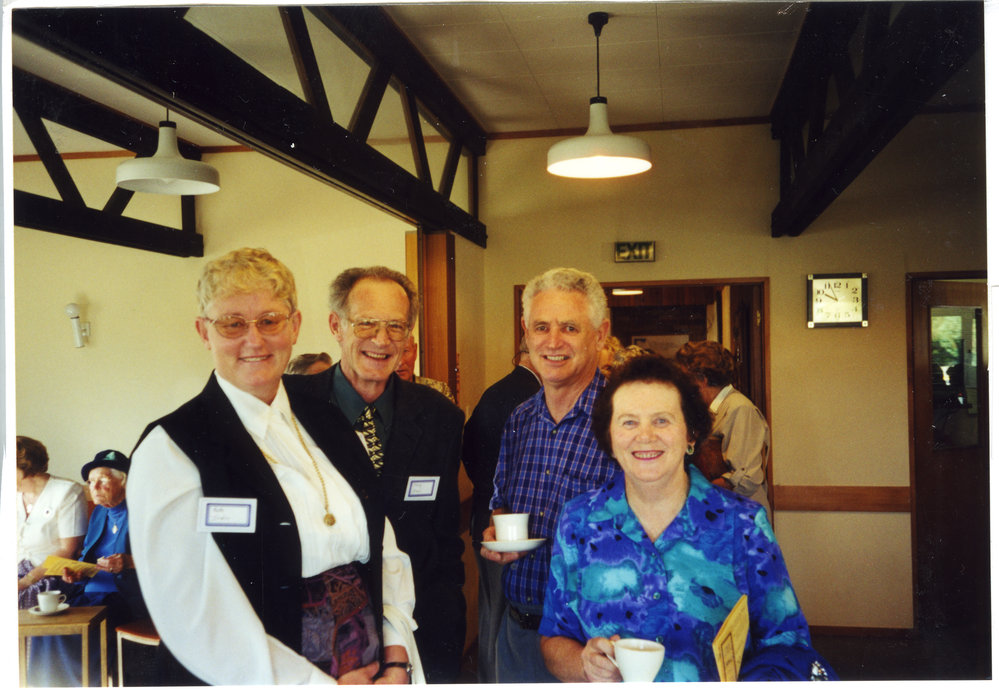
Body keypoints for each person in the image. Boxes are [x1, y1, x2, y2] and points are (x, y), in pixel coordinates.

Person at [128, 248, 419, 685]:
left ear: (295, 326)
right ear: (204, 332)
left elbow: (385, 547)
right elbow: (195, 616)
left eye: (270, 320)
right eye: (232, 324)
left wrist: (397, 657)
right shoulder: (171, 449)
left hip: (372, 671)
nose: (255, 340)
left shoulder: (327, 415)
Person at [538, 355, 832, 681]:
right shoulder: (578, 522)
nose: (645, 436)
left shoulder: (744, 525)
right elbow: (554, 638)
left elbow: (788, 644)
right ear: (609, 437)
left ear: (691, 434)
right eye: (629, 422)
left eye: (662, 420)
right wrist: (584, 663)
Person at [293, 265, 466, 683]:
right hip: (318, 640)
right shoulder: (290, 407)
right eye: (366, 323)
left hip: (419, 631)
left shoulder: (441, 416)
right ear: (336, 325)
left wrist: (446, 640)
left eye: (396, 327)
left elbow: (444, 543)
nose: (381, 340)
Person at [483, 267, 618, 682]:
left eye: (570, 328)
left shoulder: (625, 420)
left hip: (593, 644)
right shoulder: (520, 419)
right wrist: (496, 535)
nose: (553, 342)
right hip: (519, 633)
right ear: (525, 332)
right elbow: (500, 505)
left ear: (600, 334)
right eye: (541, 327)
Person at [28, 450, 146, 686]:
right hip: (90, 593)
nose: (94, 487)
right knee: (46, 628)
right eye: (91, 482)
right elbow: (89, 557)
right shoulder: (100, 512)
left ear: (125, 481)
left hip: (124, 596)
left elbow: (164, 559)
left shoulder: (144, 512)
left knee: (72, 632)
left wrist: (128, 562)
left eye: (103, 480)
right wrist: (79, 572)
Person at [461, 338, 540, 682]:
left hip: (486, 514)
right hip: (509, 523)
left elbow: (469, 450)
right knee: (504, 616)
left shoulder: (495, 392)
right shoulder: (530, 397)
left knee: (491, 611)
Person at [674, 340, 771, 516]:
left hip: (742, 514)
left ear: (702, 379)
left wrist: (692, 492)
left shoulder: (739, 408)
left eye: (684, 378)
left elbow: (745, 479)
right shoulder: (709, 410)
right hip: (720, 508)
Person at [15, 435, 87, 609]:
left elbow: (68, 550)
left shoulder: (67, 491)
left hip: (51, 578)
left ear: (24, 466)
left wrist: (25, 582)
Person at [395, 335, 456, 403]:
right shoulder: (381, 396)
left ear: (415, 351)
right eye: (392, 353)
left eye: (405, 351)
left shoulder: (439, 391)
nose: (400, 362)